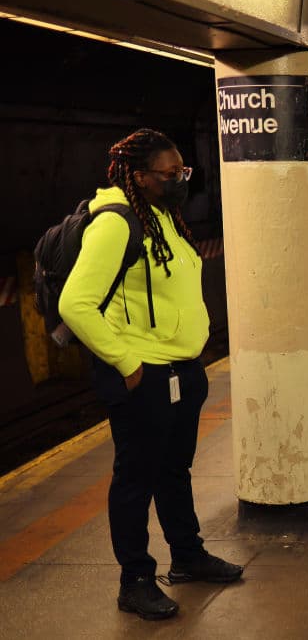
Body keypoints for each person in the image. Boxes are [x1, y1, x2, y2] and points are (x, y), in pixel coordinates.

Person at [58, 129, 242, 621]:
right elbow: (74, 304)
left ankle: (187, 556)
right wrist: (127, 363)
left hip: (181, 368)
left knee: (174, 470)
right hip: (144, 375)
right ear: (139, 177)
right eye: (170, 174)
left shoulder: (162, 214)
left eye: (184, 172)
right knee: (135, 479)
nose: (181, 180)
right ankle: (135, 580)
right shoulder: (115, 224)